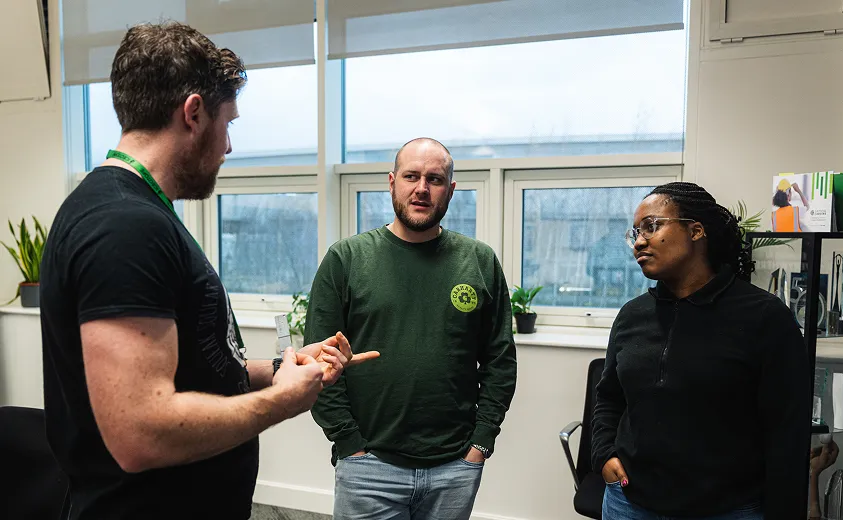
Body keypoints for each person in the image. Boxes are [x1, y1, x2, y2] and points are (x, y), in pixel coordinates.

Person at [40, 22, 374, 520]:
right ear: (193, 113)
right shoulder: (124, 226)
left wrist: (282, 369)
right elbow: (142, 432)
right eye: (229, 123)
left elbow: (191, 366)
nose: (229, 147)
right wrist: (283, 402)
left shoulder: (130, 212)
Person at [306, 137, 517, 520]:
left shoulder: (479, 262)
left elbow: (500, 362)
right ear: (392, 182)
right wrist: (348, 442)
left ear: (450, 190)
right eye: (411, 176)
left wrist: (480, 444)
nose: (422, 188)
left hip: (455, 467)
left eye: (435, 179)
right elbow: (318, 362)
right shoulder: (347, 259)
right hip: (368, 467)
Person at [592, 182, 810, 520]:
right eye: (635, 232)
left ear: (696, 231)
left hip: (727, 509)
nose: (638, 242)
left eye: (652, 226)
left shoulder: (764, 317)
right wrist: (604, 453)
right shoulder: (632, 315)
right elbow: (609, 397)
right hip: (629, 503)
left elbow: (787, 432)